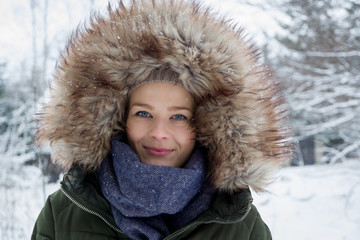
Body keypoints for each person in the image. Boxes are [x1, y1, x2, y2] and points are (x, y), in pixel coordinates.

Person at [31, 0, 293, 239]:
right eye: (143, 113)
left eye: (179, 116)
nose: (159, 132)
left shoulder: (240, 226)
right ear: (118, 119)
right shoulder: (63, 214)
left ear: (208, 127)